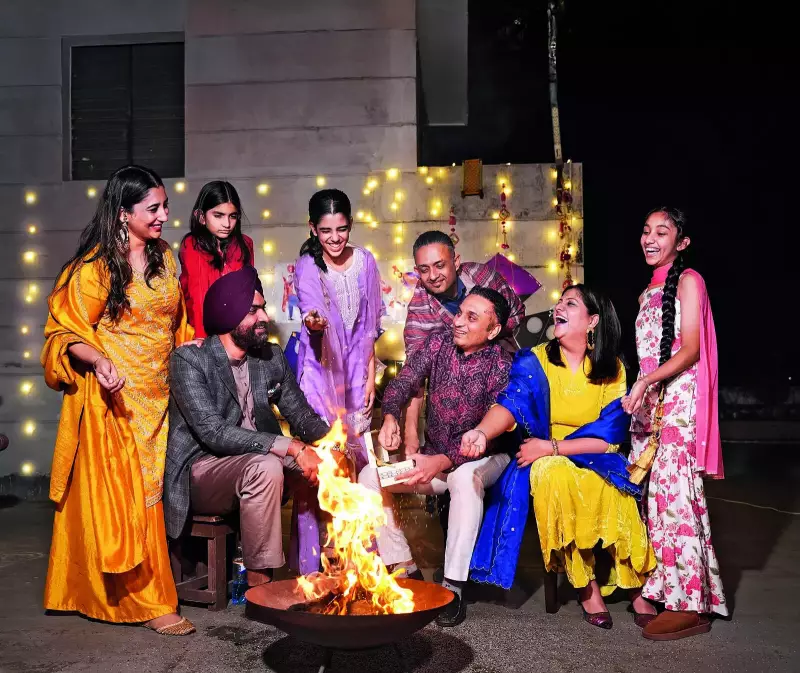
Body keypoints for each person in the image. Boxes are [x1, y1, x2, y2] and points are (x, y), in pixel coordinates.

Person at [41, 165, 197, 635]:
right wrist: (98, 361)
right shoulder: (96, 267)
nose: (164, 216)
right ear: (124, 213)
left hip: (164, 397)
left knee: (159, 491)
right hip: (117, 401)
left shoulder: (165, 257)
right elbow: (64, 332)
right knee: (129, 497)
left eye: (165, 206)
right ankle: (149, 602)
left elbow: (176, 323)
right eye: (153, 208)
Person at [465, 285, 657, 630]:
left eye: (570, 303)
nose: (558, 308)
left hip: (587, 454)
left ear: (593, 321)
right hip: (542, 459)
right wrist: (482, 432)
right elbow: (511, 403)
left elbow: (609, 439)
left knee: (616, 490)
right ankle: (586, 586)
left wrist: (551, 447)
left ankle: (635, 586)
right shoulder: (535, 360)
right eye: (559, 303)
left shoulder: (612, 367)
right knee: (555, 475)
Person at [359, 287, 514, 628]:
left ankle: (453, 586)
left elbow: (487, 437)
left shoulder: (502, 365)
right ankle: (404, 567)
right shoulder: (438, 343)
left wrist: (441, 461)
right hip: (434, 461)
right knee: (369, 477)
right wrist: (390, 416)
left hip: (485, 460)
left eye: (472, 318)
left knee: (464, 478)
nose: (458, 322)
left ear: (493, 330)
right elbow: (402, 383)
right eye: (459, 313)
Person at [165, 267, 330, 587]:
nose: (264, 317)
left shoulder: (269, 357)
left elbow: (300, 415)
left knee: (329, 465)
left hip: (258, 462)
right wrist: (292, 447)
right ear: (229, 315)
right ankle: (260, 589)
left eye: (263, 308)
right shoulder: (190, 360)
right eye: (253, 310)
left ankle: (327, 574)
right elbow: (213, 432)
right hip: (203, 470)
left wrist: (334, 443)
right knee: (266, 466)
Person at [622, 207, 727, 640]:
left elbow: (691, 349)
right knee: (655, 501)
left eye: (661, 232)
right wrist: (638, 391)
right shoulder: (646, 293)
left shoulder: (689, 280)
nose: (650, 238)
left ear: (681, 243)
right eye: (646, 230)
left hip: (679, 400)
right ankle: (669, 591)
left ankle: (691, 603)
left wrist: (646, 381)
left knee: (677, 495)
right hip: (650, 403)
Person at [402, 231, 526, 578]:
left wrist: (486, 335)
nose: (433, 276)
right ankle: (443, 572)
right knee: (452, 482)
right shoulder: (420, 313)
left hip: (498, 399)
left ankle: (460, 577)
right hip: (450, 414)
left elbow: (516, 311)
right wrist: (410, 435)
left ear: (456, 261)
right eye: (424, 269)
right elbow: (414, 378)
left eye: (440, 265)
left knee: (472, 474)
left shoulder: (482, 276)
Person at [290, 189, 382, 574]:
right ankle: (311, 568)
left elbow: (371, 325)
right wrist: (314, 322)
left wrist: (371, 376)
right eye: (325, 231)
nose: (334, 238)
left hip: (356, 370)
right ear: (313, 229)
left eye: (341, 229)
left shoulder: (365, 262)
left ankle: (359, 565)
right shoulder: (307, 265)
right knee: (321, 466)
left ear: (351, 226)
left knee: (356, 463)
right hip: (318, 370)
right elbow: (312, 310)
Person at [179, 180, 254, 338]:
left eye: (232, 216)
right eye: (218, 215)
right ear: (201, 216)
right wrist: (202, 340)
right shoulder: (192, 245)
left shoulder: (245, 244)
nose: (227, 224)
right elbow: (197, 297)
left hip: (238, 333)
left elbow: (249, 294)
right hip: (203, 332)